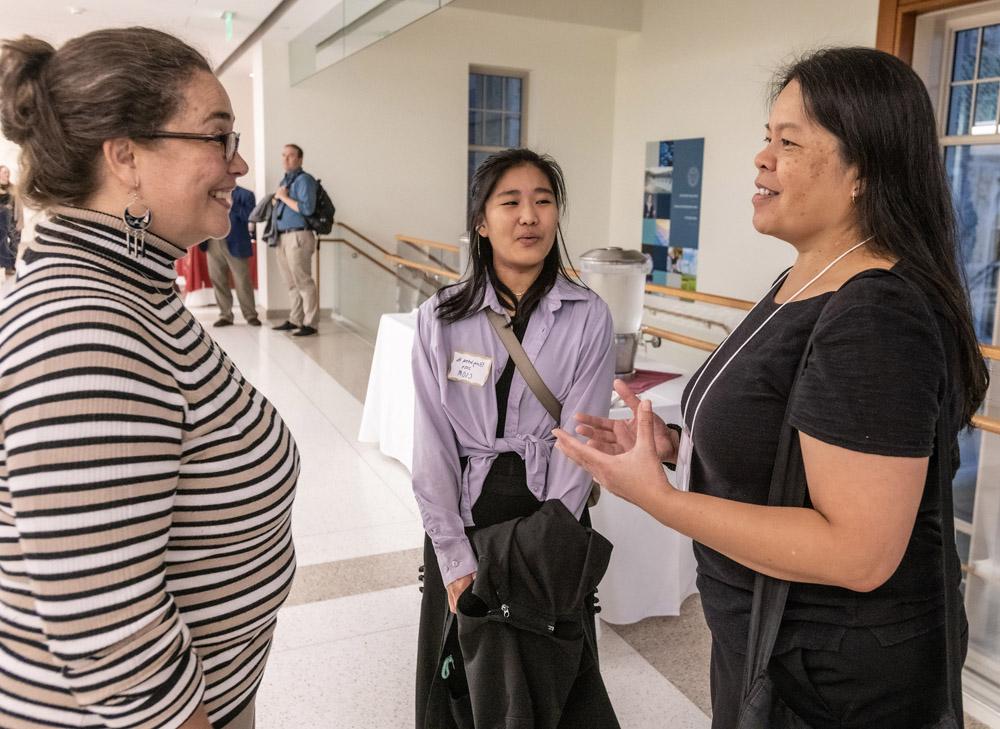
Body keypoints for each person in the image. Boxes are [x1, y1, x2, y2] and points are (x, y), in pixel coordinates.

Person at [554, 47, 990, 729]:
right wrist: (670, 446)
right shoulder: (808, 277)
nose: (761, 159)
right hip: (767, 646)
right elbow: (787, 452)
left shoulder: (877, 313)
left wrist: (659, 499)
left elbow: (859, 550)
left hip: (840, 685)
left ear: (862, 173)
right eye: (767, 139)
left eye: (789, 143)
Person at [0, 28, 299, 729]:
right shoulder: (85, 332)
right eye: (217, 137)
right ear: (126, 156)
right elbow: (113, 639)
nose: (240, 162)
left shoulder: (131, 293)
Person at [412, 148, 619, 729]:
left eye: (543, 201)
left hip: (547, 514)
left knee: (551, 675)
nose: (529, 216)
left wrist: (546, 540)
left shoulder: (588, 316)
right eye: (511, 202)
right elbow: (431, 445)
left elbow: (579, 441)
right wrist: (454, 559)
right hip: (466, 515)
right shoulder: (440, 317)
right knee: (464, 675)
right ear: (482, 221)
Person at [272, 143, 319, 337]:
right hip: (283, 236)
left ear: (300, 159)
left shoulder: (304, 180)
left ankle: (310, 323)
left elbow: (307, 209)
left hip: (299, 235)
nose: (286, 159)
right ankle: (295, 319)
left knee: (303, 281)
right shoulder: (286, 180)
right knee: (290, 282)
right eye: (283, 155)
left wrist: (282, 198)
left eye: (290, 156)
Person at [203, 183, 261, 326]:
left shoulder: (246, 195)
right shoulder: (210, 193)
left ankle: (250, 315)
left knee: (242, 280)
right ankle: (225, 315)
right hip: (213, 241)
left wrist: (231, 205)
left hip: (237, 242)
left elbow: (250, 216)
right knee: (218, 279)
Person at [0, 165, 21, 274]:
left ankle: (11, 267)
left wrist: (20, 221)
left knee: (15, 244)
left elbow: (19, 206)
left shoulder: (14, 188)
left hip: (14, 220)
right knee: (2, 244)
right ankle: (6, 265)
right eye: (4, 172)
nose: (7, 174)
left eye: (8, 172)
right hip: (1, 221)